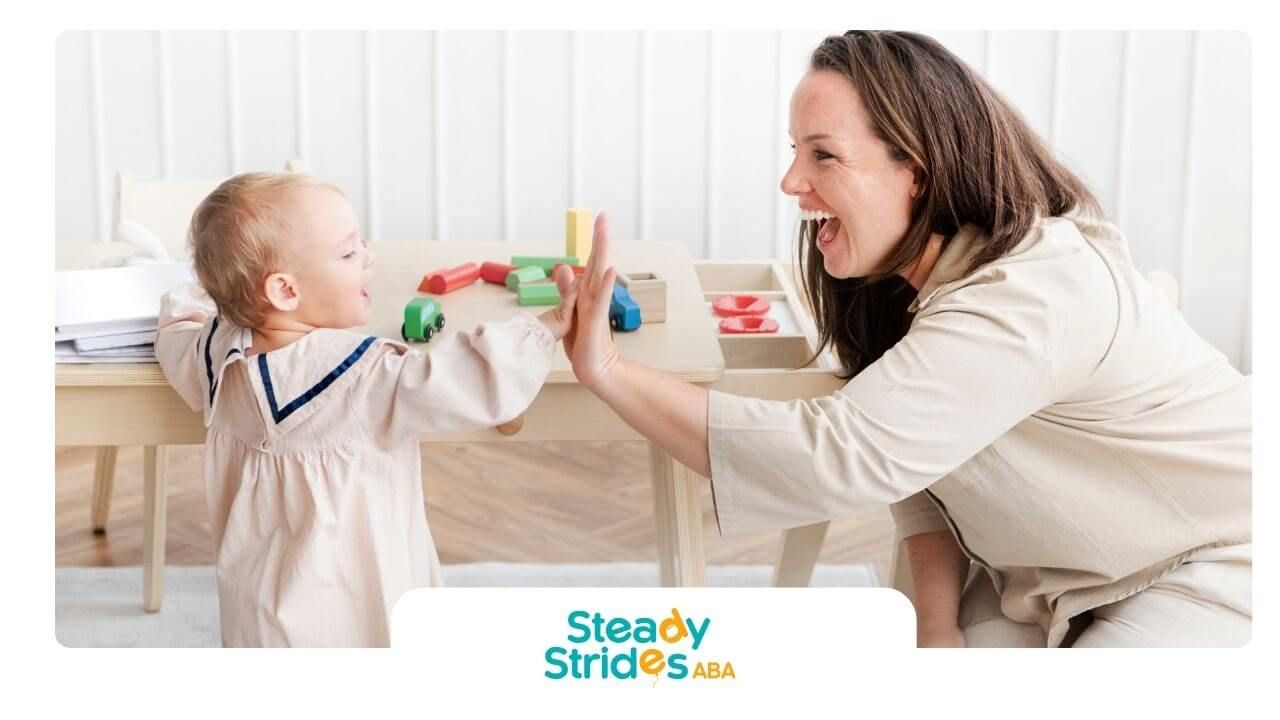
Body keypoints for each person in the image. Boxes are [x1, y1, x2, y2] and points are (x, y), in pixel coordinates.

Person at [548, 30, 1251, 648]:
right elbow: (915, 475)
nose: (791, 181)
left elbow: (834, 455)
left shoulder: (1033, 292)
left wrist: (608, 369)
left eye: (823, 156)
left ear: (917, 169)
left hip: (1206, 559)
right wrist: (934, 624)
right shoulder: (903, 293)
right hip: (1046, 579)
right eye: (796, 152)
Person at [155, 172, 579, 647]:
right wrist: (548, 327)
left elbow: (174, 332)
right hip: (360, 608)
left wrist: (196, 295)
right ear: (285, 292)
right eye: (348, 252)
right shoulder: (362, 376)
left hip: (261, 615)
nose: (368, 255)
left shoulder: (212, 353)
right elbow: (466, 382)